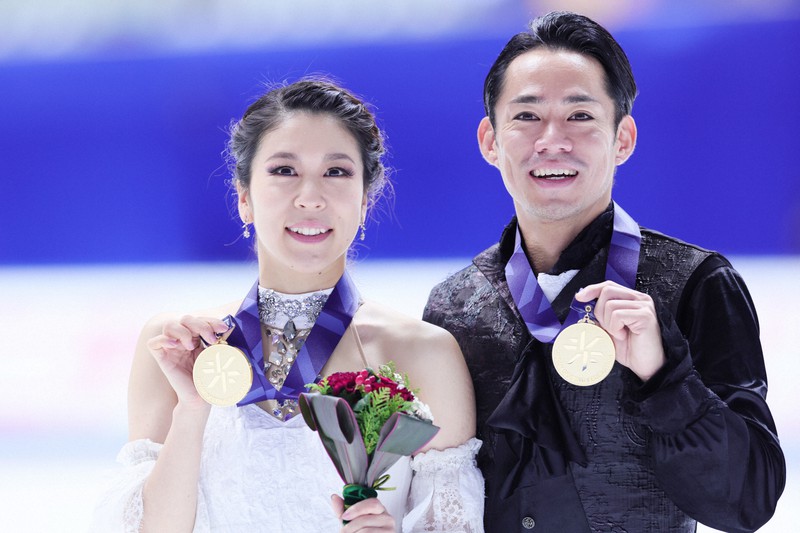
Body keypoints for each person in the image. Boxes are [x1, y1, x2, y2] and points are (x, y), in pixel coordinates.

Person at [423, 11, 785, 533]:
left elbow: (747, 503)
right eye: (526, 116)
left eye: (580, 116)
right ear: (489, 141)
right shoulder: (452, 307)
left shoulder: (698, 283)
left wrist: (666, 377)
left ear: (623, 139)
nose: (552, 140)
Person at [91, 78, 484, 532]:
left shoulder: (423, 352)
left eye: (336, 172)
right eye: (284, 170)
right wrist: (193, 407)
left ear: (364, 199)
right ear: (244, 198)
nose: (310, 197)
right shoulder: (178, 347)